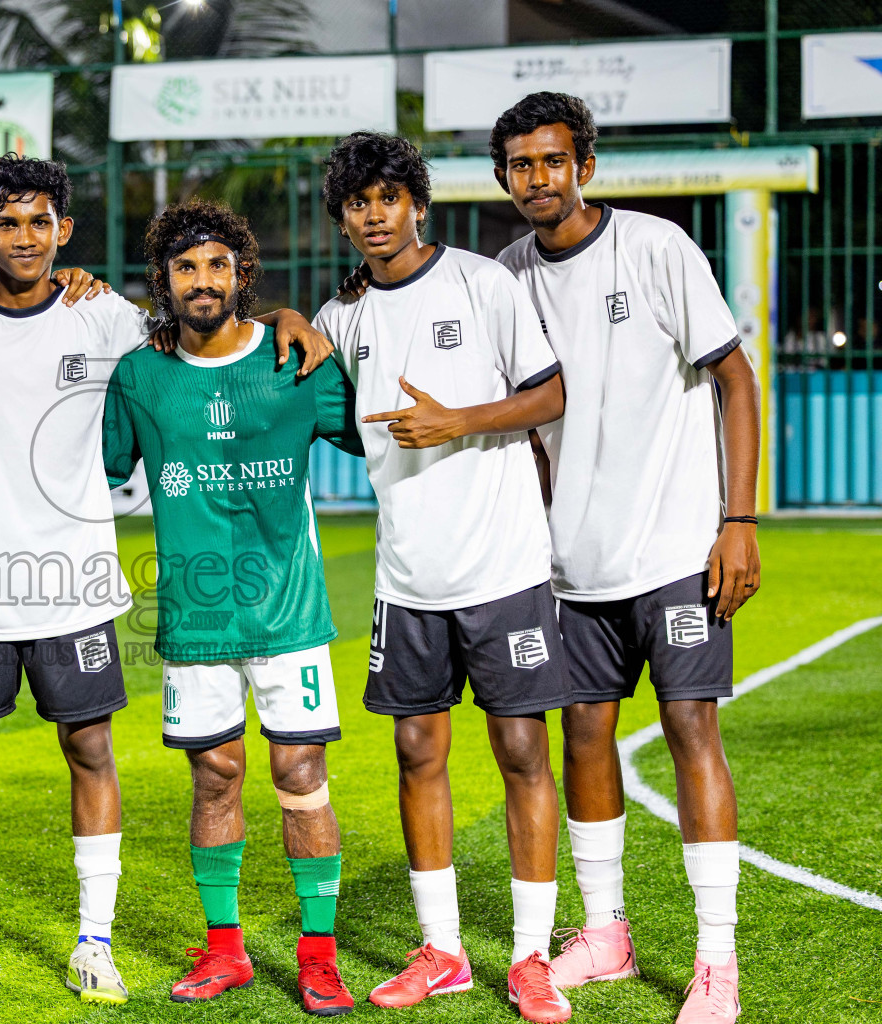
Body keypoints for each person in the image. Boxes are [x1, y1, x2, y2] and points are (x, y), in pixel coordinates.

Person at [0, 153, 332, 1005]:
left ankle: (94, 942)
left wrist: (288, 312)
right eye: (7, 222)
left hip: (78, 584)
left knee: (89, 750)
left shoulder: (109, 319)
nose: (24, 236)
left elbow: (207, 326)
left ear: (64, 229)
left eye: (40, 220)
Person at [491, 92, 761, 1024]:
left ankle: (715, 959)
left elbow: (735, 376)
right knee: (585, 736)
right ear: (504, 179)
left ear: (585, 166)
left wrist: (740, 521)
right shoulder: (505, 277)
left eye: (553, 160)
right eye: (522, 165)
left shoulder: (655, 249)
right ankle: (605, 933)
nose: (539, 178)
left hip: (680, 546)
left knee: (692, 730)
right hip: (571, 563)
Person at [317, 132, 572, 1023]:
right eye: (356, 204)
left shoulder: (480, 282)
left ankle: (534, 958)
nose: (373, 215)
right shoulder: (341, 318)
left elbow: (549, 395)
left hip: (503, 566)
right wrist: (284, 323)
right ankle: (444, 950)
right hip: (407, 577)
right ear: (344, 219)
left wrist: (459, 420)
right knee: (418, 752)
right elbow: (324, 407)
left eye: (387, 198)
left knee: (522, 751)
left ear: (416, 203)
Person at [102, 199, 362, 1016]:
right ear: (165, 281)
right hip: (197, 616)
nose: (202, 280)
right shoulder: (140, 377)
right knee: (215, 775)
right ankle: (226, 951)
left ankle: (318, 957)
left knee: (300, 772)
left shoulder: (295, 360)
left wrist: (308, 325)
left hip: (289, 609)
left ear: (243, 275)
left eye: (218, 265)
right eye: (186, 267)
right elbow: (98, 472)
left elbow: (375, 433)